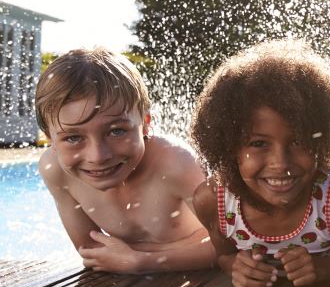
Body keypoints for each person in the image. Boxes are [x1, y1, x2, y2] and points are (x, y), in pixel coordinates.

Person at [191, 40, 330, 287]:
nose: (281, 163)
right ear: (228, 146)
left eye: (298, 141)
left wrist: (323, 268)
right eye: (258, 143)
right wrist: (236, 266)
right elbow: (224, 255)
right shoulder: (213, 201)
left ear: (321, 142)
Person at [35, 48, 216, 273]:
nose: (98, 156)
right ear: (49, 137)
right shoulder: (55, 170)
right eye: (73, 137)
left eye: (117, 131)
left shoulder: (176, 163)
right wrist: (182, 249)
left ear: (145, 123)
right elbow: (92, 253)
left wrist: (140, 261)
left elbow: (235, 245)